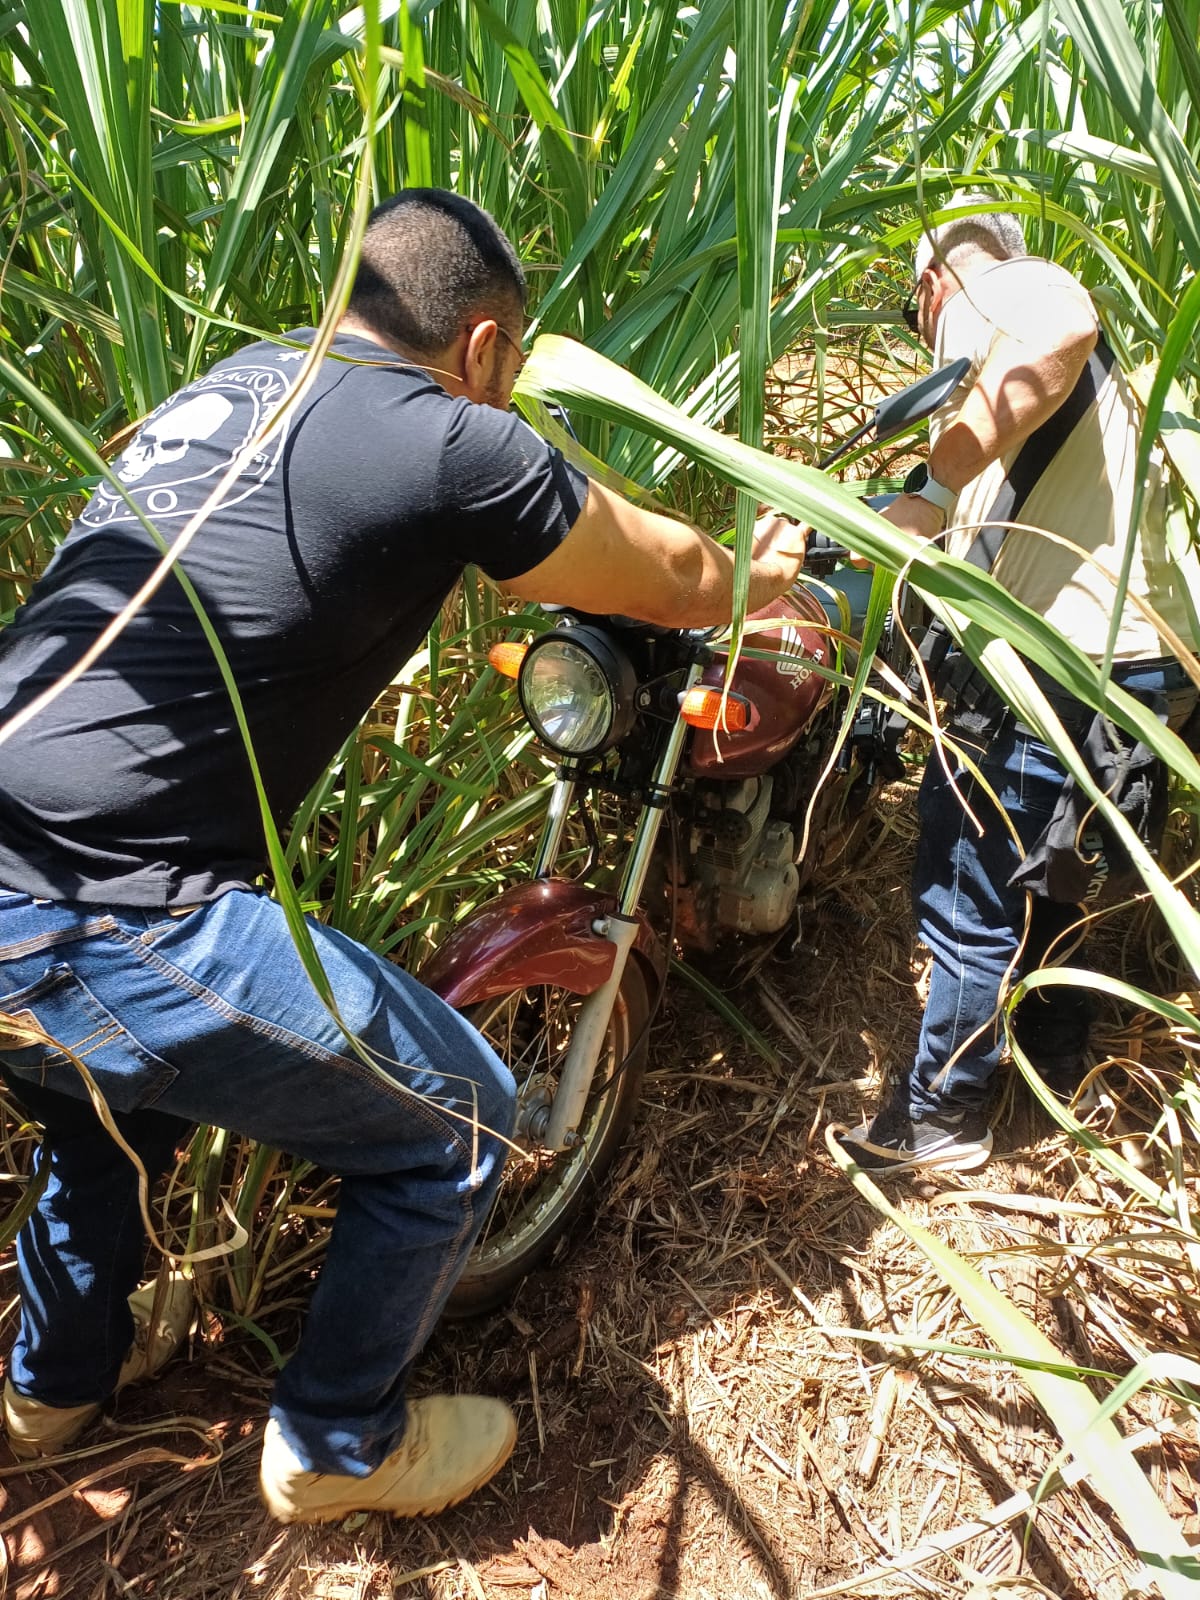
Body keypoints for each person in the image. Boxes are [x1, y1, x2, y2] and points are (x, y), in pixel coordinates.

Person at [0, 188, 806, 1520]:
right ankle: (336, 1446)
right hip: (110, 910)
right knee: (458, 1118)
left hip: (19, 870)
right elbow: (659, 571)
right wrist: (758, 576)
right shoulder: (448, 438)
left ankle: (51, 1386)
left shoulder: (238, 381)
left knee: (101, 1126)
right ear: (484, 348)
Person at [838, 195, 1197, 1175]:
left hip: (1055, 667)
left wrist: (939, 480)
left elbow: (1059, 320)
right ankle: (1054, 1066)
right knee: (1066, 880)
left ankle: (943, 1118)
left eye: (920, 316)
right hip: (1133, 671)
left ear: (931, 288)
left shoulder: (1004, 294)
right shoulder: (1046, 418)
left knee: (970, 884)